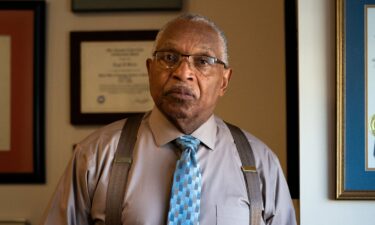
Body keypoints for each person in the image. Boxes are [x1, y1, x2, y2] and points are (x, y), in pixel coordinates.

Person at [41, 13, 297, 225]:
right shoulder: (96, 155)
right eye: (169, 58)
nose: (183, 72)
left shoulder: (261, 164)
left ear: (224, 81)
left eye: (203, 61)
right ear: (150, 70)